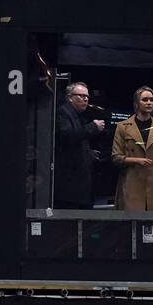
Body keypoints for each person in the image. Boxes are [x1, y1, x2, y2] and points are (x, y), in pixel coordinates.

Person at [110, 86, 153, 210]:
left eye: (152, 100)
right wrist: (137, 160)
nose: (149, 103)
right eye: (145, 100)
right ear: (136, 103)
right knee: (132, 223)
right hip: (132, 182)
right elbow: (116, 157)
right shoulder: (123, 127)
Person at [54, 81, 104, 209]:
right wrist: (93, 127)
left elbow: (76, 140)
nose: (85, 99)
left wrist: (89, 153)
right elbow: (68, 136)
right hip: (69, 187)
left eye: (87, 96)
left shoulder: (77, 116)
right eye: (81, 96)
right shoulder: (63, 112)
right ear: (70, 98)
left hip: (78, 186)